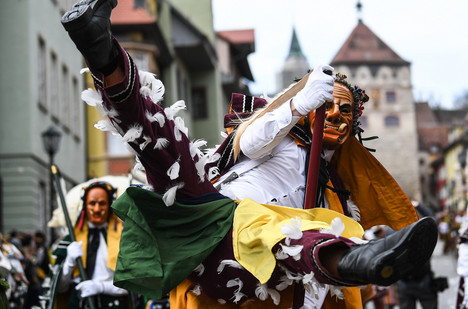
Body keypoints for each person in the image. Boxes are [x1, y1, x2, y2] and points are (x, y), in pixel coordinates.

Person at [60, 0, 438, 307]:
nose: (336, 115)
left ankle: (359, 260)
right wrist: (298, 104)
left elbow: (306, 267)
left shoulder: (333, 190)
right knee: (161, 141)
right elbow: (251, 139)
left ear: (356, 124)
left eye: (347, 111)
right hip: (207, 208)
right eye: (331, 105)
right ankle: (101, 51)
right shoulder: (285, 133)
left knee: (293, 230)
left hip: (243, 261)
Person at [53, 181, 130, 309]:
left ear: (110, 205)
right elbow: (60, 288)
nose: (97, 209)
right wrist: (69, 262)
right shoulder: (71, 240)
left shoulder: (124, 239)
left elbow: (133, 285)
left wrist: (101, 287)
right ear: (85, 206)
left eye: (102, 203)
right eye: (92, 203)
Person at [395, 202, 440, 309]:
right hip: (422, 280)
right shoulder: (423, 229)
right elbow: (433, 219)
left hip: (403, 281)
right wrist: (419, 205)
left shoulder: (392, 231)